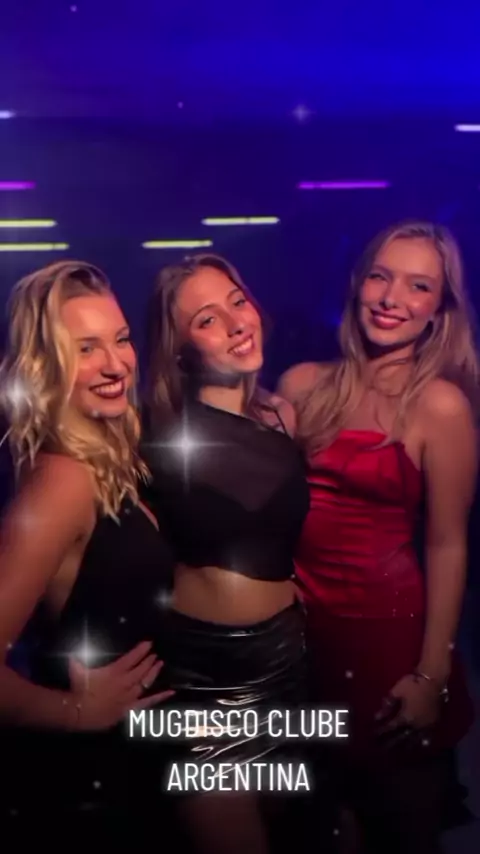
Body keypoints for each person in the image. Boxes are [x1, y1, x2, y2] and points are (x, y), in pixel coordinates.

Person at [278, 221, 478, 854]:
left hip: (389, 646)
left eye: (419, 286)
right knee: (316, 829)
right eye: (380, 277)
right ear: (357, 283)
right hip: (301, 643)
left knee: (402, 827)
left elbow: (448, 544)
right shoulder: (301, 386)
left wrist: (432, 673)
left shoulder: (440, 407)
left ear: (438, 311)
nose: (392, 298)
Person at [142, 253, 311, 854]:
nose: (238, 323)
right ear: (180, 351)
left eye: (238, 302)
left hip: (287, 659)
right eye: (207, 320)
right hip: (204, 675)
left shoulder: (281, 416)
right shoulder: (152, 436)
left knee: (298, 834)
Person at [0, 261, 174, 838]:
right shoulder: (63, 480)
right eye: (86, 349)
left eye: (120, 340)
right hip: (96, 779)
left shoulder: (107, 456)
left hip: (140, 759)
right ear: (46, 367)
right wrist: (77, 713)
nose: (116, 363)